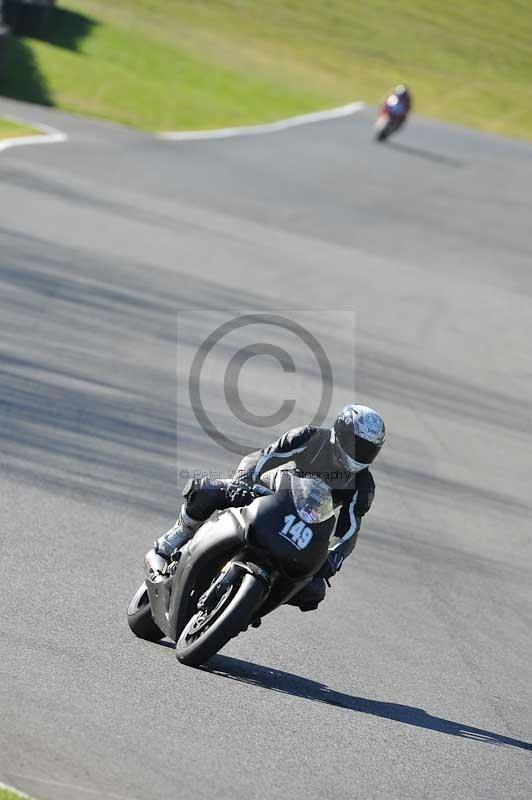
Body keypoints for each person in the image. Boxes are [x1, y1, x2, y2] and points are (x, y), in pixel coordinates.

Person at [145, 404, 385, 611]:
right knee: (207, 490)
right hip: (273, 495)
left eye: (367, 450)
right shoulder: (309, 437)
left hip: (306, 527)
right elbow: (261, 458)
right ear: (339, 432)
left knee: (314, 589)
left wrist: (334, 557)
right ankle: (178, 535)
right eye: (356, 445)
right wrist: (244, 482)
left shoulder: (363, 484)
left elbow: (351, 527)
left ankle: (253, 605)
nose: (360, 455)